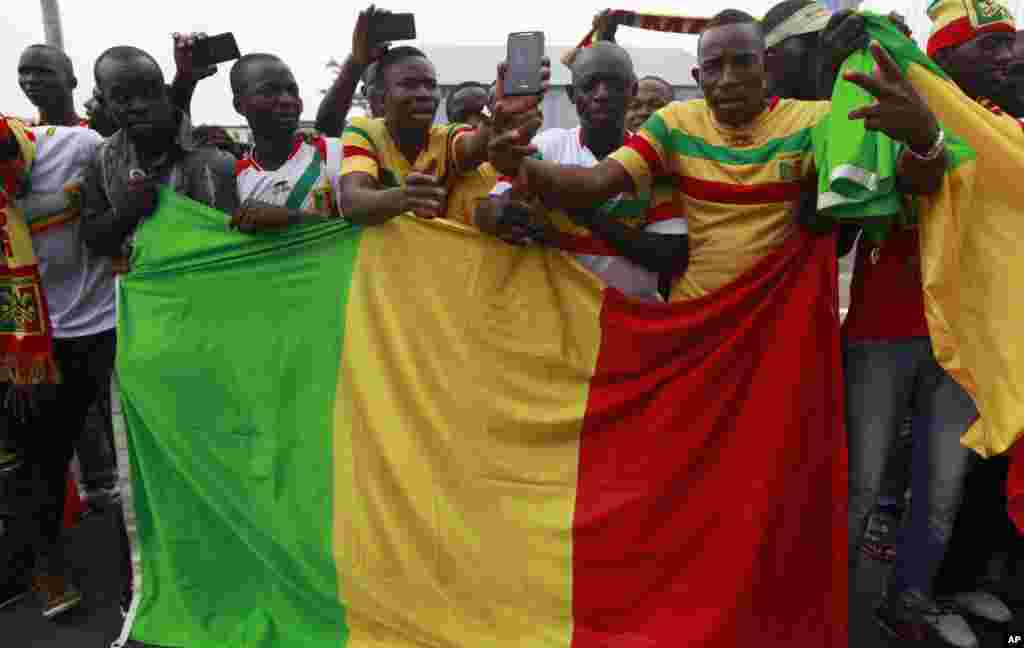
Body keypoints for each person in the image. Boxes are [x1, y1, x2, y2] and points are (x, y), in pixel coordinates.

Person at [489, 10, 944, 300]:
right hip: (695, 327)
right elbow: (592, 185)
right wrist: (515, 165)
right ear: (698, 75)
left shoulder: (817, 120)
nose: (728, 79)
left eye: (742, 62)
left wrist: (927, 140)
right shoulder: (673, 124)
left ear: (766, 68)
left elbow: (900, 191)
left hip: (786, 325)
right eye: (713, 67)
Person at [0, 117, 114, 617]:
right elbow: (23, 210)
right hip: (39, 344)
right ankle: (48, 574)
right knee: (40, 463)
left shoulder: (73, 144)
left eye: (7, 167)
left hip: (111, 321)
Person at [476, 41, 688, 302]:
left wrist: (580, 209)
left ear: (632, 90)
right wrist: (501, 214)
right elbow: (488, 209)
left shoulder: (656, 160)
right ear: (571, 93)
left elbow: (670, 256)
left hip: (630, 323)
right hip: (557, 322)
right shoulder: (545, 147)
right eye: (589, 85)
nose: (601, 94)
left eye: (614, 84)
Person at [80, 46, 238, 267]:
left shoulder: (216, 157)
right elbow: (93, 240)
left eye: (149, 92)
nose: (139, 106)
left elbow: (239, 244)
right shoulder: (102, 160)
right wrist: (125, 214)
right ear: (104, 102)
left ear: (165, 93)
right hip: (151, 297)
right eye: (123, 97)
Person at [339, 46, 502, 225]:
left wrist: (501, 110)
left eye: (431, 85)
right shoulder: (363, 131)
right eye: (409, 85)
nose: (424, 94)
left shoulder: (448, 136)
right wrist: (406, 197)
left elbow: (475, 146)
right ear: (380, 99)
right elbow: (352, 202)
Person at [230, 54, 343, 230]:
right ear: (239, 105)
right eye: (269, 91)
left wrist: (290, 217)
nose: (287, 100)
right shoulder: (235, 175)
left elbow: (360, 230)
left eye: (292, 91)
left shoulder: (331, 152)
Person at [315, 5, 390, 137]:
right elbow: (326, 126)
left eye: (407, 84)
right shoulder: (358, 142)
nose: (389, 94)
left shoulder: (438, 141)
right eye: (380, 85)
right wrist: (356, 61)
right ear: (365, 92)